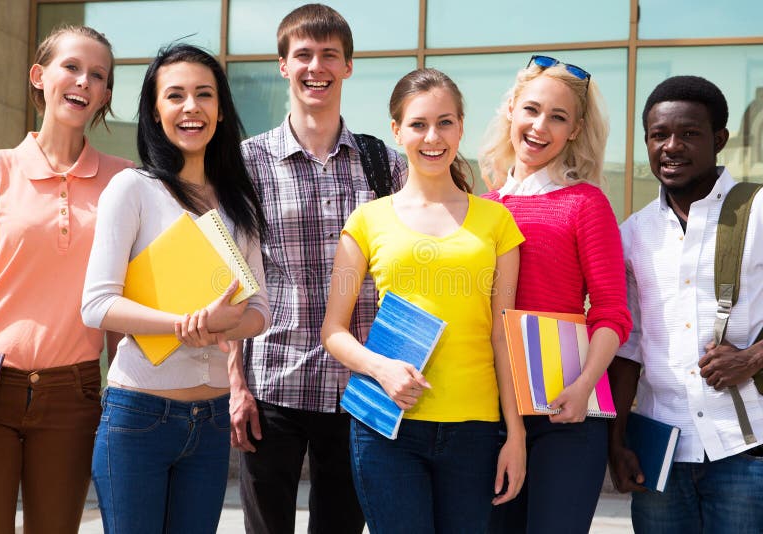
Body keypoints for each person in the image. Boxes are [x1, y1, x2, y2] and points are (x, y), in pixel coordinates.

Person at [321, 67, 526, 533]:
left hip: (474, 429)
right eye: (418, 124)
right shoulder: (366, 221)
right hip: (386, 428)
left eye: (445, 122)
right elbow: (333, 330)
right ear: (397, 131)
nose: (432, 137)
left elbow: (503, 335)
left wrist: (514, 435)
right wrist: (380, 367)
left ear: (461, 127)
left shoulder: (497, 224)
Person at [228, 4, 407, 533]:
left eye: (330, 55)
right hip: (272, 386)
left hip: (358, 387)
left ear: (348, 67)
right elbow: (232, 281)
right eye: (303, 54)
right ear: (283, 65)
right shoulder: (248, 162)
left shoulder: (385, 164)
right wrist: (236, 386)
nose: (316, 67)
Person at [80, 43, 270, 534]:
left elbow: (260, 311)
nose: (192, 108)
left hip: (209, 421)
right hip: (138, 416)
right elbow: (97, 304)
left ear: (221, 110)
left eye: (204, 95)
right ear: (155, 110)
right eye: (176, 96)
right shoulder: (133, 189)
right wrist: (181, 326)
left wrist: (225, 323)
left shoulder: (238, 200)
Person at [0, 25, 132, 533]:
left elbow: (121, 300)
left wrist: (123, 394)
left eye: (97, 75)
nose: (83, 81)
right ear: (39, 76)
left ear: (104, 94)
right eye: (71, 67)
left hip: (74, 391)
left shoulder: (124, 180)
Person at [478, 55, 632, 533]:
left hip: (564, 411)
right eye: (531, 109)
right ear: (510, 110)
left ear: (575, 130)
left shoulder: (586, 203)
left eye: (558, 117)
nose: (540, 126)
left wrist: (584, 384)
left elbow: (612, 313)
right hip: (487, 410)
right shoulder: (479, 210)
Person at [608, 75, 763, 534]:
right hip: (662, 451)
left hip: (747, 447)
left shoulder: (757, 211)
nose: (671, 147)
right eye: (659, 135)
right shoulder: (633, 232)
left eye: (689, 134)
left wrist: (753, 357)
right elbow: (628, 344)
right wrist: (616, 442)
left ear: (719, 140)